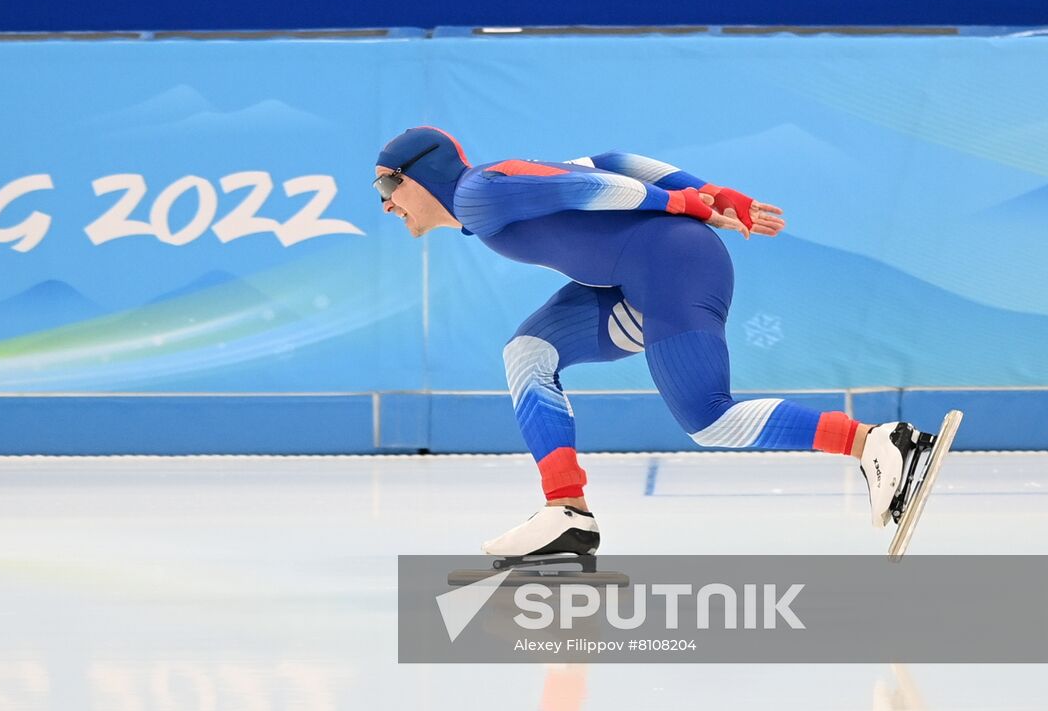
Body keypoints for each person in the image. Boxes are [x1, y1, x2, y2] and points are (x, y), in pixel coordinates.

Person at [373, 126, 941, 557]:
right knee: (528, 354)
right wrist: (707, 191)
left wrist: (683, 202)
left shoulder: (477, 194)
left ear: (417, 175)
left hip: (673, 265)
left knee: (710, 420)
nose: (385, 205)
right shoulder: (491, 189)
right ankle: (567, 512)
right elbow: (611, 162)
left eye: (385, 186)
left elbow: (595, 185)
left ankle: (878, 442)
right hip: (636, 278)